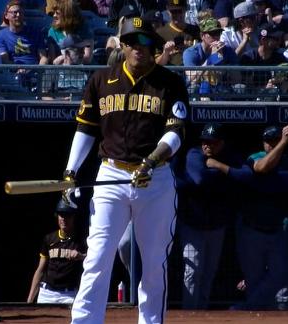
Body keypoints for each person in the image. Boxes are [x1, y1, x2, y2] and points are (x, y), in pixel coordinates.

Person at [63, 17, 190, 323]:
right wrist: (70, 171)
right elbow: (86, 129)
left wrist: (152, 161)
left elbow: (176, 132)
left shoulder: (170, 83)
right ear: (122, 45)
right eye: (132, 41)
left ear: (154, 46)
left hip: (155, 180)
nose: (138, 47)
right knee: (97, 256)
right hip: (111, 176)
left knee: (154, 261)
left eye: (145, 41)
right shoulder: (101, 80)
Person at [234, 125, 288, 310]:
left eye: (274, 141)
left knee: (281, 273)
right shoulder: (255, 156)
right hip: (251, 228)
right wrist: (282, 143)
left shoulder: (287, 160)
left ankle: (247, 308)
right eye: (268, 141)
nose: (271, 145)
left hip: (276, 230)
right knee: (253, 279)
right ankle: (252, 313)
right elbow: (262, 167)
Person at [179, 122, 252, 309]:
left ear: (221, 143)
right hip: (193, 224)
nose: (207, 146)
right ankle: (190, 315)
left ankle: (201, 312)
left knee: (209, 272)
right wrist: (227, 176)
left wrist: (218, 166)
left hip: (216, 226)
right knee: (192, 271)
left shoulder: (228, 157)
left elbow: (246, 177)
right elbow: (200, 178)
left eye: (212, 142)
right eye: (205, 141)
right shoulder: (194, 154)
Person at [26, 199, 87, 304]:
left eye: (67, 215)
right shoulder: (49, 239)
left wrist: (81, 256)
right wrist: (30, 299)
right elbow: (40, 270)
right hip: (46, 293)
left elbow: (96, 259)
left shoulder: (81, 240)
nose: (64, 219)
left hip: (69, 294)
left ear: (73, 217)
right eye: (61, 215)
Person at [182, 17, 239, 100]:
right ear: (202, 36)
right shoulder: (191, 52)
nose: (216, 37)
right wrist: (212, 58)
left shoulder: (227, 50)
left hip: (222, 87)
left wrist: (222, 60)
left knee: (240, 88)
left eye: (218, 33)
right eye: (212, 33)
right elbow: (192, 79)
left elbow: (237, 79)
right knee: (194, 89)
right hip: (198, 89)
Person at [0, 0, 49, 65]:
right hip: (12, 72)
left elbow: (43, 57)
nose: (18, 15)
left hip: (34, 72)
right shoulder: (0, 35)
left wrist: (39, 69)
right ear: (6, 15)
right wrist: (17, 69)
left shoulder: (35, 33)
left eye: (21, 12)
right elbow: (4, 60)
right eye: (15, 12)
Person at [47, 0, 94, 65]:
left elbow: (87, 58)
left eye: (57, 13)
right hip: (61, 70)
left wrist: (65, 57)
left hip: (82, 69)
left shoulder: (84, 29)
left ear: (67, 14)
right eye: (54, 13)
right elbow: (54, 61)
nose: (54, 16)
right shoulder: (52, 31)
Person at [155, 0, 199, 66]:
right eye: (173, 12)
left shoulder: (195, 30)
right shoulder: (160, 33)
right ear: (168, 12)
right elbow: (157, 63)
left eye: (179, 11)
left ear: (185, 10)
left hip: (192, 73)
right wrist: (166, 53)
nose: (177, 15)